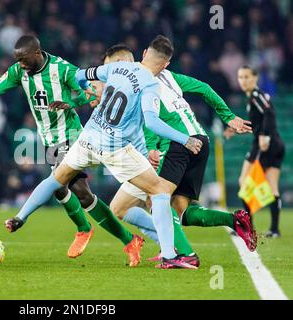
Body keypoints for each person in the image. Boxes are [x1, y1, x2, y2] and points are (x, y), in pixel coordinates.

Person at [5, 35, 206, 269]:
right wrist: (186, 139)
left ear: (143, 55)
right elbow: (151, 122)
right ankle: (170, 256)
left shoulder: (117, 68)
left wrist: (89, 93)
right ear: (164, 65)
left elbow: (80, 76)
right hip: (113, 147)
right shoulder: (150, 84)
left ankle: (20, 216)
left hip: (88, 137)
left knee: (56, 178)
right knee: (160, 190)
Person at [0, 35, 136, 260]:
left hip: (71, 136)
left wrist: (71, 102)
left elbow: (90, 94)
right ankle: (127, 239)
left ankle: (81, 229)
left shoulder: (62, 69)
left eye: (23, 59)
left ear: (37, 54)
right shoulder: (19, 72)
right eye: (17, 60)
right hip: (50, 140)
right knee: (75, 194)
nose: (20, 64)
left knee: (62, 184)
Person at [97, 45, 256, 268]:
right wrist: (228, 117)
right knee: (179, 211)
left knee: (157, 198)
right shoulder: (169, 76)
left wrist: (150, 148)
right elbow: (204, 88)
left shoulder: (134, 79)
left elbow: (150, 120)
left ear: (142, 55)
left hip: (177, 144)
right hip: (200, 140)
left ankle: (181, 253)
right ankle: (234, 220)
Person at [230, 65, 285, 238]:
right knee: (272, 187)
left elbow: (269, 113)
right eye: (240, 77)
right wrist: (239, 129)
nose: (243, 80)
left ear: (255, 78)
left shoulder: (256, 96)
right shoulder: (254, 98)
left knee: (244, 181)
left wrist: (263, 136)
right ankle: (275, 230)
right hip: (276, 144)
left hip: (266, 145)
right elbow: (261, 120)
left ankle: (247, 228)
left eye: (247, 77)